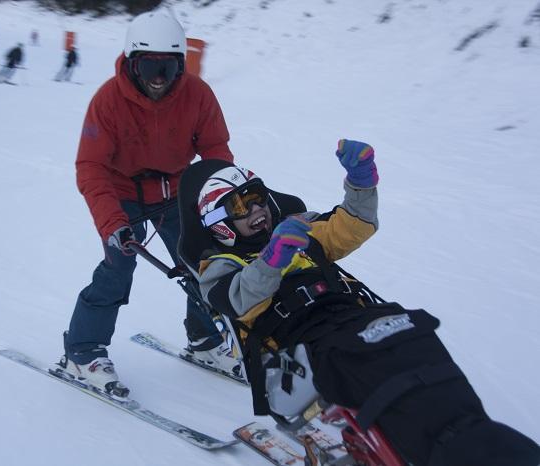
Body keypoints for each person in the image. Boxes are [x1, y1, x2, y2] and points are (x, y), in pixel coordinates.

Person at [181, 141, 540, 466]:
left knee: (417, 336)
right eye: (240, 206)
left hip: (353, 318)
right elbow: (237, 299)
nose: (255, 209)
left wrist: (361, 182)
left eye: (257, 197)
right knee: (368, 365)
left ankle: (469, 434)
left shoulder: (295, 227)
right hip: (296, 344)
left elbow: (353, 225)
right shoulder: (219, 266)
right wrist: (272, 259)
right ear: (218, 223)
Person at [54, 10, 236, 399]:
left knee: (204, 263)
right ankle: (83, 351)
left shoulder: (198, 95)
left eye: (167, 68)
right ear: (131, 62)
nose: (158, 77)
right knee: (117, 268)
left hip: (175, 191)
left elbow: (215, 150)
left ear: (180, 67)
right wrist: (112, 223)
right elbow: (91, 165)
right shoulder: (108, 101)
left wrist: (222, 198)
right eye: (149, 65)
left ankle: (204, 340)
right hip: (122, 194)